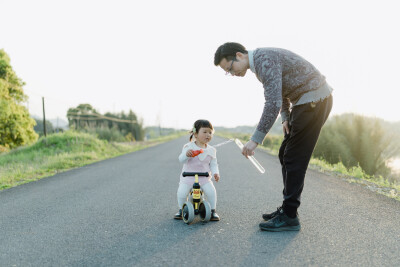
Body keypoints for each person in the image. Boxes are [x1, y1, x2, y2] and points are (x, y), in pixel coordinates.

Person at [214, 42, 333, 231]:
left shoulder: (264, 61)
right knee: (285, 153)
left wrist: (255, 140)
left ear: (239, 55)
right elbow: (283, 93)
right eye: (227, 72)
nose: (232, 73)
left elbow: (273, 102)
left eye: (229, 68)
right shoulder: (260, 63)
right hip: (304, 101)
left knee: (293, 157)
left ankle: (290, 215)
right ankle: (287, 210)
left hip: (314, 100)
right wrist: (286, 117)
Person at [174, 119, 221, 221]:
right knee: (182, 192)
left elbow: (213, 164)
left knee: (211, 191)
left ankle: (213, 211)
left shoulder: (212, 150)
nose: (208, 135)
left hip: (204, 178)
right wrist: (186, 155)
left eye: (210, 132)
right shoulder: (188, 147)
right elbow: (181, 159)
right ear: (195, 134)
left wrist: (216, 173)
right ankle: (181, 210)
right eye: (204, 132)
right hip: (188, 177)